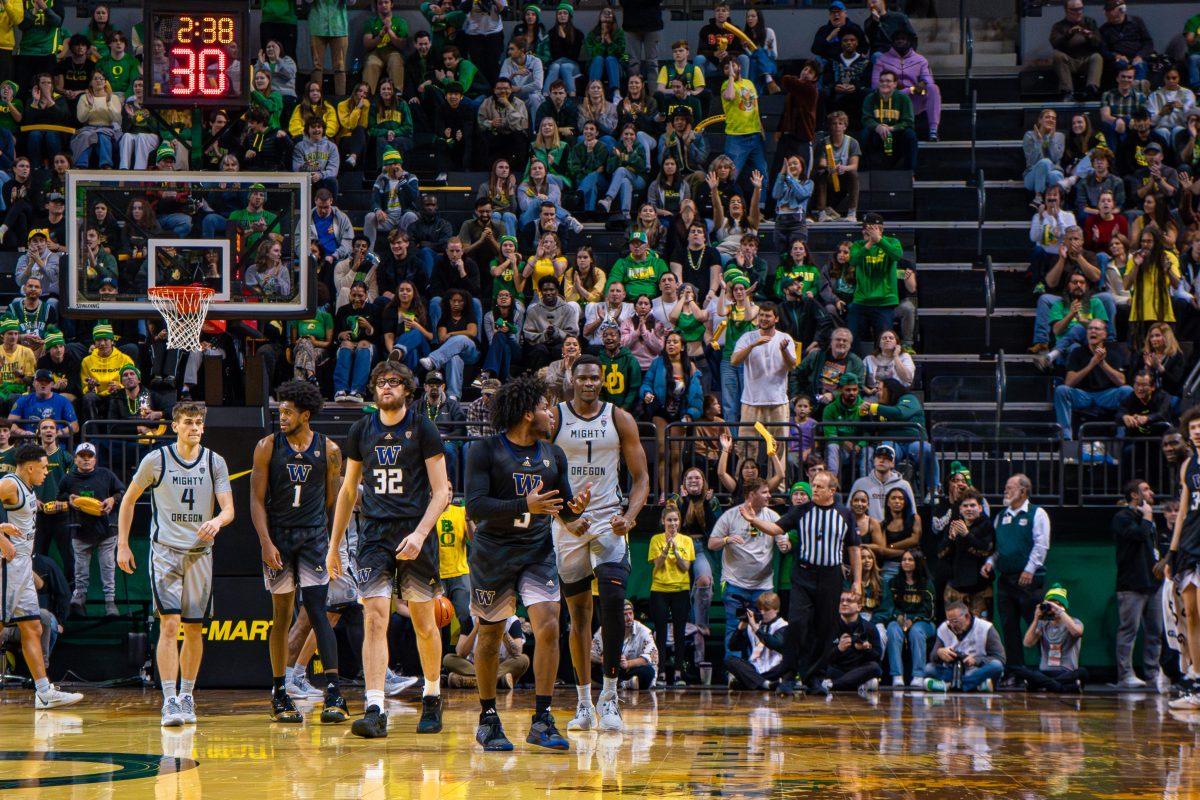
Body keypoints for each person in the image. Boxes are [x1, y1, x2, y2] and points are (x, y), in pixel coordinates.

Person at [463, 373, 589, 752]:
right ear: (525, 414)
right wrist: (524, 505)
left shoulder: (554, 455)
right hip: (493, 554)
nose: (551, 412)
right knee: (489, 635)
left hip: (536, 552)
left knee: (550, 623)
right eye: (544, 406)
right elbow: (475, 506)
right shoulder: (484, 451)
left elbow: (564, 512)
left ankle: (542, 718)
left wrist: (576, 515)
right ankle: (488, 718)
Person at [327, 362, 451, 739]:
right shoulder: (361, 429)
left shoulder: (423, 428)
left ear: (408, 390)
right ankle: (375, 705)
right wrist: (334, 546)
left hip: (415, 529)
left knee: (424, 623)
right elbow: (349, 491)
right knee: (374, 617)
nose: (387, 387)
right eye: (381, 382)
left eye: (395, 382)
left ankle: (432, 694)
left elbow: (443, 491)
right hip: (375, 535)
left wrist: (420, 533)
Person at [116, 403, 235, 726]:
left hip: (199, 553)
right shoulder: (156, 459)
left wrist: (217, 521)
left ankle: (187, 695)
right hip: (165, 552)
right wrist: (123, 544)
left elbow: (228, 509)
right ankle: (168, 699)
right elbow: (128, 499)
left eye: (198, 423)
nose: (194, 428)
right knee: (169, 624)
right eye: (188, 423)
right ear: (175, 426)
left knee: (194, 627)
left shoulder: (214, 462)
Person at [552, 355, 649, 732]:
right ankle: (583, 704)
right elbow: (542, 473)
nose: (589, 383)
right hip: (569, 524)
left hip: (610, 519)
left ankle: (610, 698)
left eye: (595, 378)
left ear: (603, 381)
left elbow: (641, 479)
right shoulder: (555, 418)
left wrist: (630, 515)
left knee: (611, 600)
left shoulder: (619, 418)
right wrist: (565, 517)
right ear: (572, 381)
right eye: (583, 378)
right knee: (577, 616)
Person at [250, 380, 346, 724]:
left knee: (319, 611)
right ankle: (279, 691)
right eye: (279, 410)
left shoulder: (330, 449)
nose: (281, 416)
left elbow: (334, 502)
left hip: (314, 539)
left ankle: (334, 690)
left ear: (306, 414)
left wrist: (332, 544)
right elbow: (257, 500)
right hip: (279, 537)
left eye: (288, 411)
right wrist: (265, 541)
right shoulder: (267, 446)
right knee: (282, 615)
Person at [746, 470, 862, 695]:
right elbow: (776, 529)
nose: (815, 489)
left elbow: (854, 548)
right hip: (803, 575)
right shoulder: (801, 510)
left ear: (832, 491)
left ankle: (814, 678)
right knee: (797, 625)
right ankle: (788, 676)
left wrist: (857, 581)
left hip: (831, 577)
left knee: (825, 628)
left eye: (819, 486)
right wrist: (754, 520)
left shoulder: (844, 514)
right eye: (813, 485)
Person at [0, 444, 82, 709]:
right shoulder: (9, 484)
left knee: (32, 626)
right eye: (45, 467)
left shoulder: (28, 488)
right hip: (7, 565)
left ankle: (44, 692)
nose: (47, 472)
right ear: (31, 466)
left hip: (23, 565)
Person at [709, 477, 790, 654]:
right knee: (734, 627)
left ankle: (758, 670)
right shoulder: (730, 515)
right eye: (765, 492)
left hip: (763, 587)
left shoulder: (772, 516)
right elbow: (711, 543)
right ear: (752, 494)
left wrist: (785, 545)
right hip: (734, 584)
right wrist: (726, 539)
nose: (770, 495)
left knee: (762, 630)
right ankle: (734, 673)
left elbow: (784, 543)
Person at [983, 474, 1050, 671]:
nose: (1006, 491)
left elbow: (1041, 545)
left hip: (1029, 580)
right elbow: (997, 549)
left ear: (1023, 491)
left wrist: (1029, 570)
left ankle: (1046, 668)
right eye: (1006, 487)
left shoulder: (1037, 513)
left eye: (1010, 487)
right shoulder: (1001, 516)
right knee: (1009, 628)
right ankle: (1015, 671)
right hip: (1006, 580)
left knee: (1037, 625)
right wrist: (990, 563)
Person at [59, 439, 122, 618]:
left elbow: (121, 492)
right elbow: (60, 494)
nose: (86, 459)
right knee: (80, 569)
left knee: (108, 567)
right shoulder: (69, 478)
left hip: (106, 530)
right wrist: (68, 498)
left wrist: (112, 500)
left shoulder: (106, 475)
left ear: (95, 459)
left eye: (89, 456)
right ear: (76, 459)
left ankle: (110, 602)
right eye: (82, 456)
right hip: (80, 530)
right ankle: (79, 598)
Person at [1112, 478, 1164, 689]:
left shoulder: (1147, 520)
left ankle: (1152, 673)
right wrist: (1148, 517)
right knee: (1128, 631)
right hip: (1131, 584)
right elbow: (1137, 535)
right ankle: (1125, 675)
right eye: (1145, 489)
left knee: (1155, 631)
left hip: (1153, 583)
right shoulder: (1122, 517)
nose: (1151, 493)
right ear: (1135, 495)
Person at [1052, 318, 1133, 440]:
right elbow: (1069, 382)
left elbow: (1121, 381)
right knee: (1061, 390)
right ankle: (1066, 438)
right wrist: (1091, 364)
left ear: (1104, 334)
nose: (1092, 331)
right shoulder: (1077, 352)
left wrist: (1102, 363)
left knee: (1127, 391)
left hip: (1106, 395)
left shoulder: (1113, 351)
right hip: (1083, 395)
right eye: (1090, 328)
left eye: (1097, 329)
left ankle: (1122, 436)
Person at [648, 503, 693, 687]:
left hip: (680, 590)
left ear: (679, 522)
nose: (672, 523)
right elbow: (657, 565)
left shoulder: (686, 541)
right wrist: (666, 549)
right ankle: (659, 673)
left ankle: (677, 673)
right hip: (659, 589)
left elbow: (686, 567)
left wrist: (676, 550)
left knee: (679, 632)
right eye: (669, 520)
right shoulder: (656, 540)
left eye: (675, 520)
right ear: (663, 521)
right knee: (660, 633)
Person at [1010, 584, 1087, 693]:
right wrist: (1036, 618)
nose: (1051, 609)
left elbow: (1076, 632)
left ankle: (1041, 684)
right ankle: (1064, 687)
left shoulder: (1074, 622)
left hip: (1066, 672)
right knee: (1022, 671)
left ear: (1062, 606)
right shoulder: (1043, 624)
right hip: (1045, 671)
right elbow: (1027, 643)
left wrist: (1060, 612)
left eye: (1054, 605)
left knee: (1082, 672)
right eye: (1048, 605)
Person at [879, 548, 935, 687]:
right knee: (892, 630)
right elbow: (888, 606)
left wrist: (913, 620)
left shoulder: (926, 583)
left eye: (910, 559)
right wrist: (897, 616)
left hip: (923, 621)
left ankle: (918, 675)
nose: (906, 562)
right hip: (898, 619)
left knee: (916, 632)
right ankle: (897, 675)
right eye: (904, 559)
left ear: (917, 562)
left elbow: (930, 612)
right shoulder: (893, 583)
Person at [809, 591, 883, 695]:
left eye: (849, 601)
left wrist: (866, 649)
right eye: (841, 601)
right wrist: (838, 649)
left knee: (875, 668)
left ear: (859, 607)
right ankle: (857, 684)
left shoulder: (869, 628)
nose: (844, 604)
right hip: (837, 669)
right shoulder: (830, 627)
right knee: (822, 670)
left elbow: (877, 657)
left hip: (858, 669)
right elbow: (821, 658)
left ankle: (833, 685)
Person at [923, 601, 1006, 693]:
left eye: (955, 621)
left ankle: (950, 685)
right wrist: (939, 653)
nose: (952, 625)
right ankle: (976, 685)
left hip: (977, 671)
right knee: (929, 669)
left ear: (967, 617)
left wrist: (976, 660)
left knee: (996, 666)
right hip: (952, 672)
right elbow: (932, 658)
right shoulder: (944, 628)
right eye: (949, 621)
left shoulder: (986, 628)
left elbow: (1000, 658)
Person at [724, 590, 788, 691]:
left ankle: (751, 683)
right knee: (730, 660)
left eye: (766, 610)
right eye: (760, 609)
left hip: (775, 670)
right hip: (755, 670)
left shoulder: (783, 625)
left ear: (776, 610)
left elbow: (775, 644)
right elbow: (733, 647)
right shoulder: (754, 625)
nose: (762, 612)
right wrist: (740, 628)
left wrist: (755, 627)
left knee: (791, 662)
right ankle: (765, 684)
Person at [861, 70, 916, 169]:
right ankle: (864, 171)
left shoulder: (903, 98)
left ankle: (910, 171)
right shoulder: (870, 98)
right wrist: (877, 127)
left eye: (888, 81)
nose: (884, 83)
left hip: (896, 133)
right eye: (881, 81)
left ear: (895, 84)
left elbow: (908, 122)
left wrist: (891, 128)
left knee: (910, 135)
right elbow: (866, 119)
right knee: (864, 134)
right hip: (877, 133)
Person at [1050, 0, 1103, 100]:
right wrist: (1069, 34)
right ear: (1066, 10)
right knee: (1057, 55)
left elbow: (1099, 44)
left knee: (1097, 57)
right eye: (1074, 10)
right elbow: (1055, 44)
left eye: (1080, 9)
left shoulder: (1090, 22)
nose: (1078, 12)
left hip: (1086, 60)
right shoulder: (1059, 26)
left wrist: (1089, 36)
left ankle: (1091, 88)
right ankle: (1067, 91)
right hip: (1069, 60)